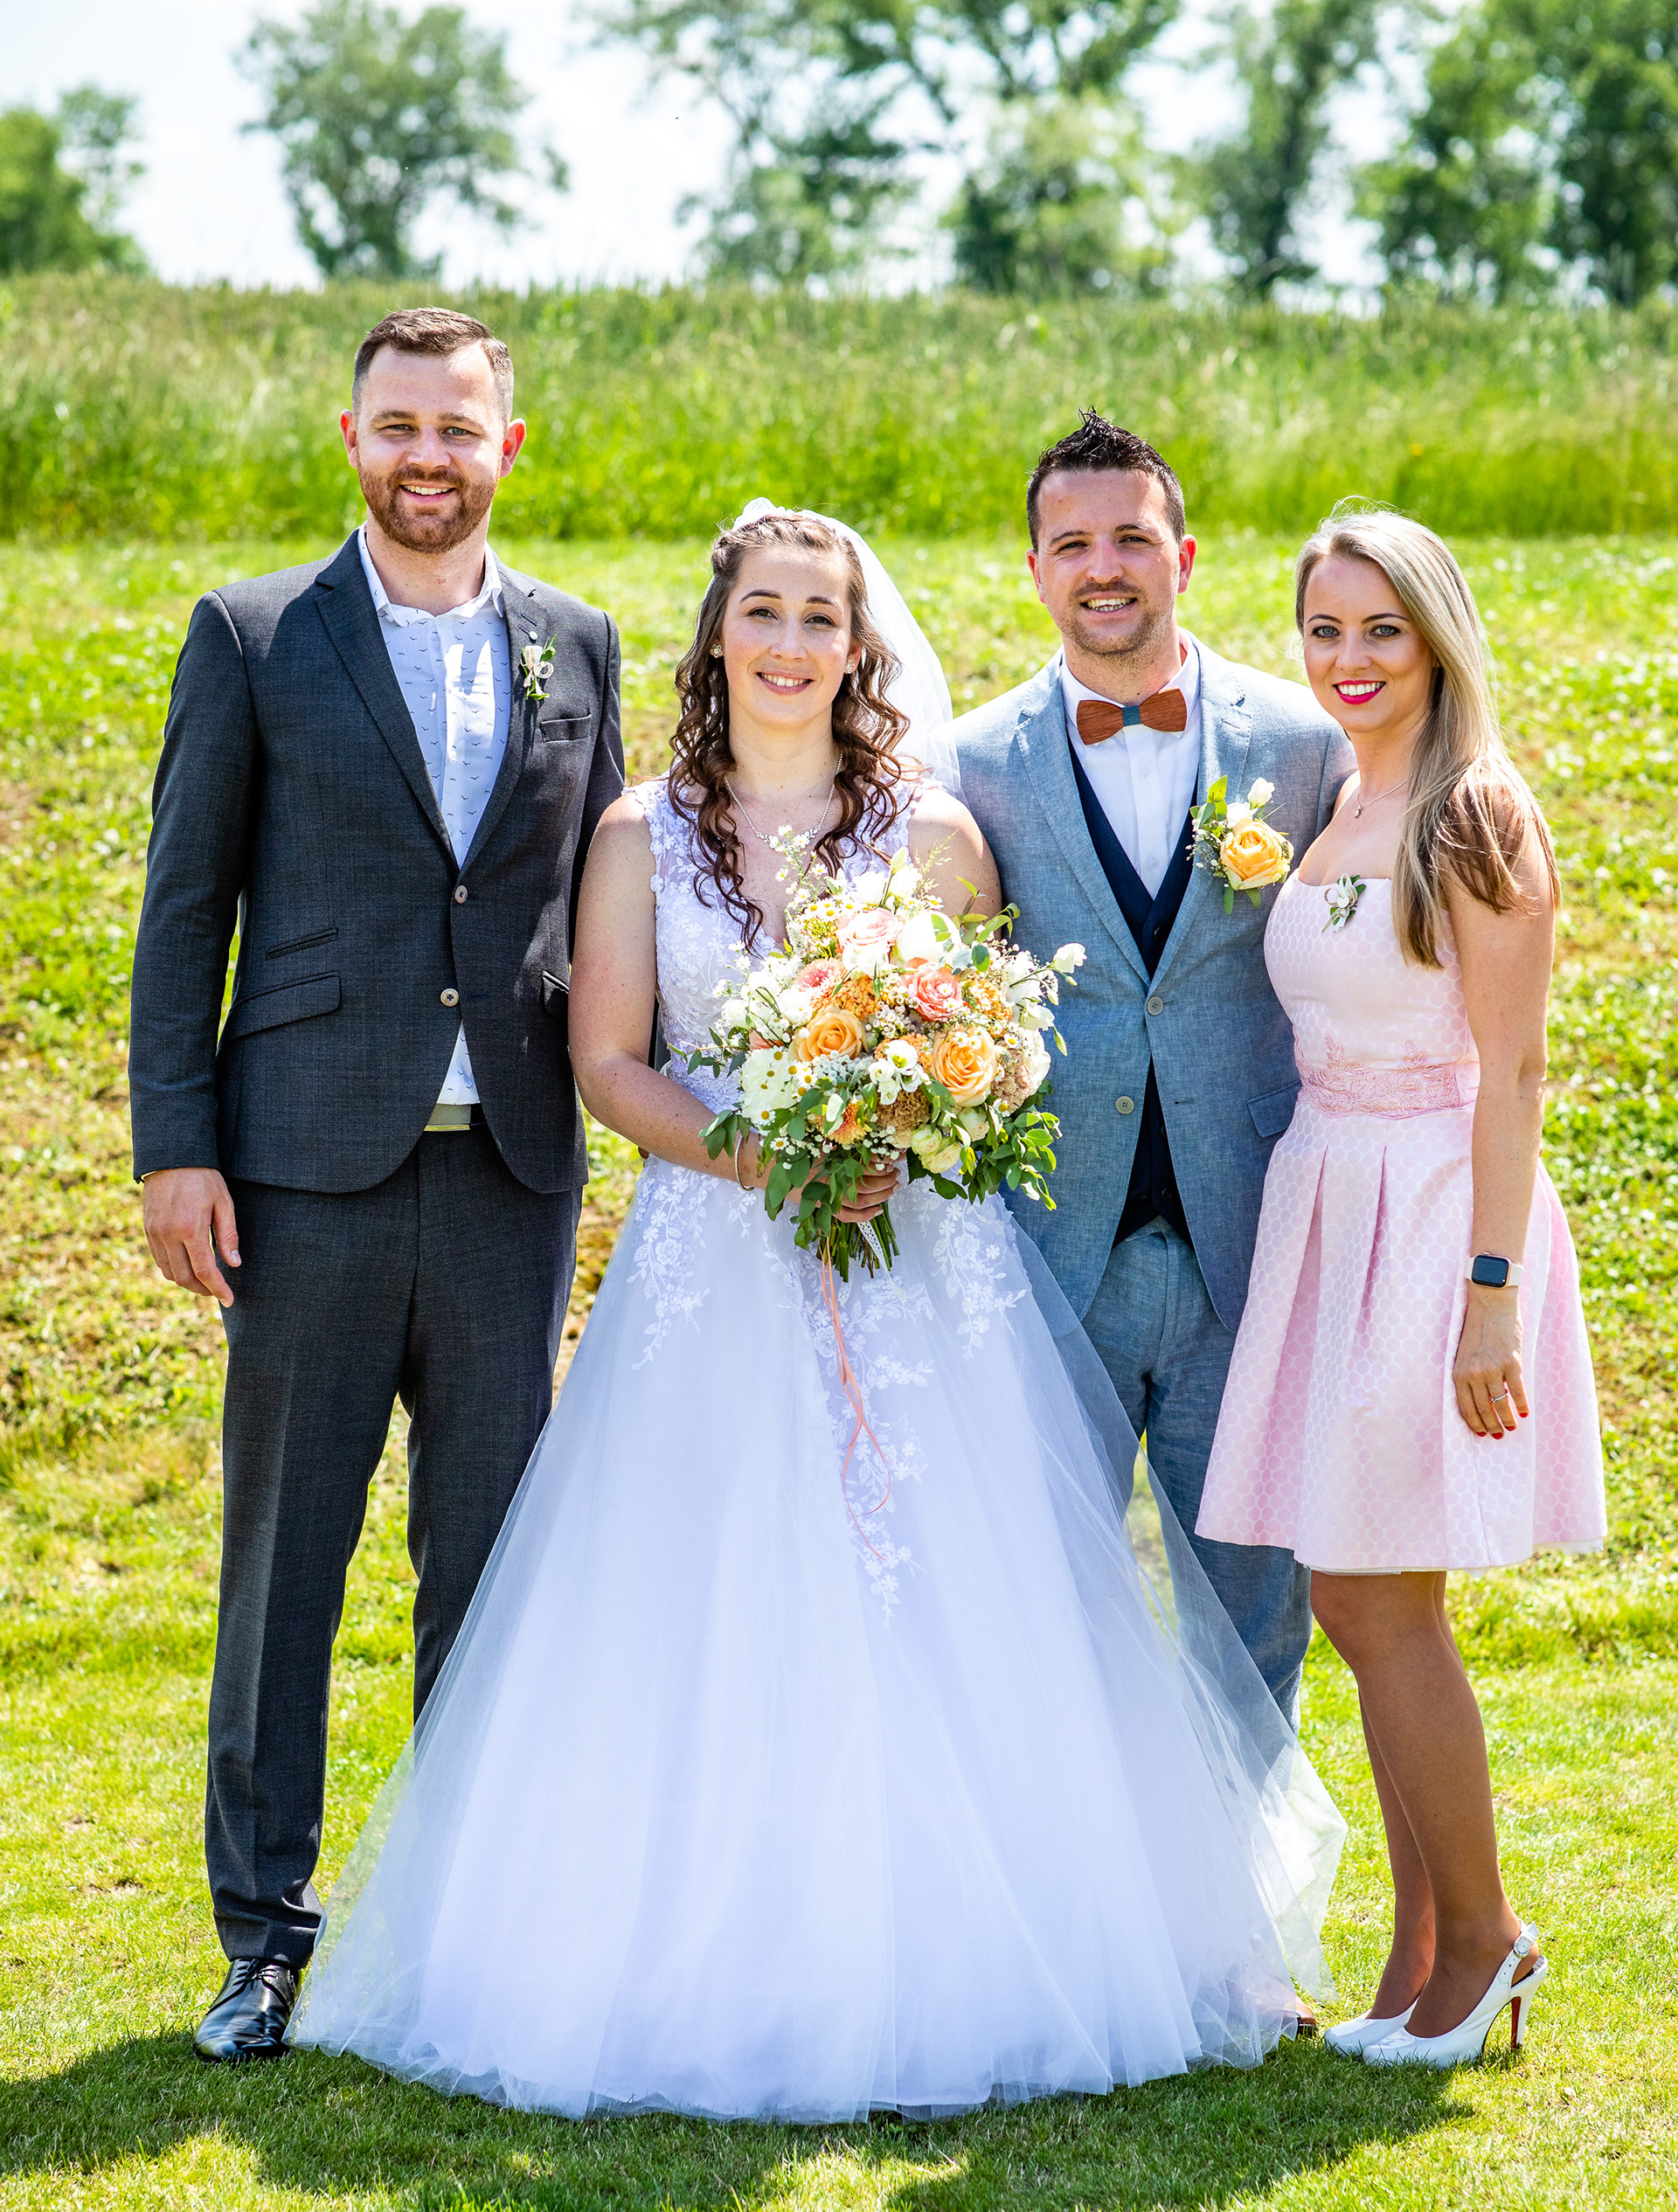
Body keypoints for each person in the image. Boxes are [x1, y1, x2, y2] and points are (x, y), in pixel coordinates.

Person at [288, 506, 1344, 2121]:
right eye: (764, 612)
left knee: (954, 1587)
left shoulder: (934, 831)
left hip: (913, 1261)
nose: (790, 643)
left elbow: (1001, 1040)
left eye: (819, 618)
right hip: (709, 1266)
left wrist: (908, 1118)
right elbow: (608, 1062)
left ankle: (1008, 1943)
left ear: (859, 646)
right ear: (718, 632)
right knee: (703, 1588)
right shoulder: (639, 833)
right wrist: (763, 1153)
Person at [128, 306, 623, 2064]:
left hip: (514, 1176)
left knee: (487, 1570)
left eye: (458, 427)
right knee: (286, 1571)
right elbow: (185, 905)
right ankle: (265, 1941)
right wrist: (175, 1144)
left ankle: (457, 1933)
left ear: (508, 447)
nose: (429, 455)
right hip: (303, 1173)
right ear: (353, 439)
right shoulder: (255, 635)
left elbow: (612, 901)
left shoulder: (579, 646)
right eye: (399, 424)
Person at [1196, 508, 1605, 2068]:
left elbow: (1515, 1070)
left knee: (1375, 1593)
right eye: (1326, 629)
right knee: (1362, 1588)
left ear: (1437, 638)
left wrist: (1490, 1292)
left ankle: (1488, 1939)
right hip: (1332, 1194)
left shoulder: (1475, 814)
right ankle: (1420, 1957)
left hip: (1435, 1208)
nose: (1349, 659)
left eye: (1382, 629)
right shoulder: (1345, 797)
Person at [953, 413, 1354, 1729]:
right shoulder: (969, 765)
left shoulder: (1303, 745)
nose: (1104, 567)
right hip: (1049, 1253)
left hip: (1254, 1243)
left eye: (1131, 537)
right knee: (1040, 1610)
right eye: (1072, 544)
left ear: (1183, 554)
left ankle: (1247, 1866)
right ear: (1035, 571)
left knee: (1252, 1618)